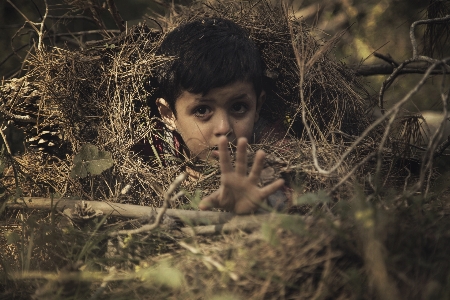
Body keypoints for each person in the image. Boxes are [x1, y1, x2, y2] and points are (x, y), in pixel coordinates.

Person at [142, 17, 288, 214]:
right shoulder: (150, 154)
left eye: (238, 107)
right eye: (202, 110)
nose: (224, 128)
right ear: (168, 114)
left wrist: (257, 209)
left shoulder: (276, 150)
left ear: (258, 107)